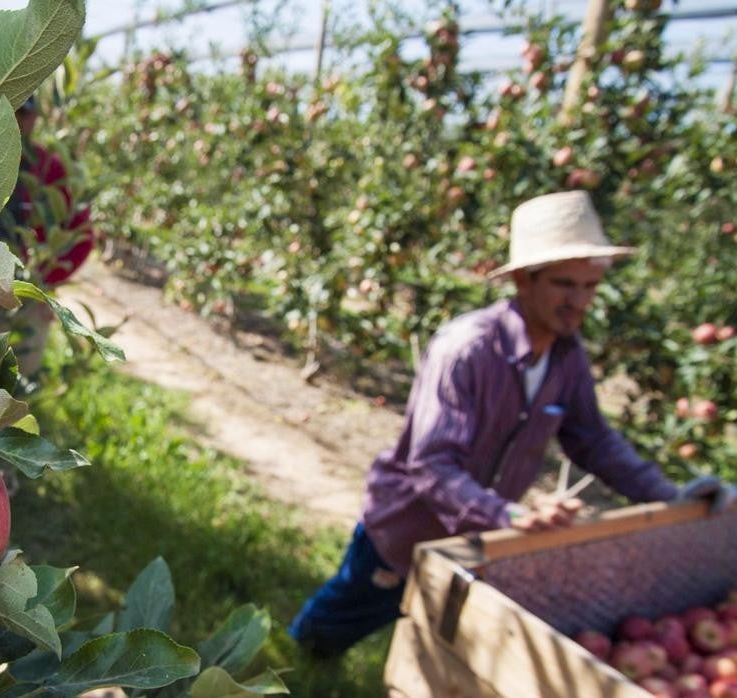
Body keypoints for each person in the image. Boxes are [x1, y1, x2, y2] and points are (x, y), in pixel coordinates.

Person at [288, 190, 734, 660]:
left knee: (439, 636)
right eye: (565, 284)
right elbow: (432, 465)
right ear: (524, 279)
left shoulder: (566, 356)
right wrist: (513, 517)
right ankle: (298, 657)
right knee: (345, 615)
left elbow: (593, 441)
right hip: (410, 524)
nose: (579, 302)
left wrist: (670, 496)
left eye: (590, 286)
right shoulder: (467, 350)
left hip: (481, 536)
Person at [0, 96, 95, 378]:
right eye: (13, 110)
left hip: (27, 295)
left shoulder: (50, 168)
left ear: (35, 117)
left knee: (17, 375)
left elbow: (83, 235)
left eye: (25, 113)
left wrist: (44, 282)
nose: (17, 119)